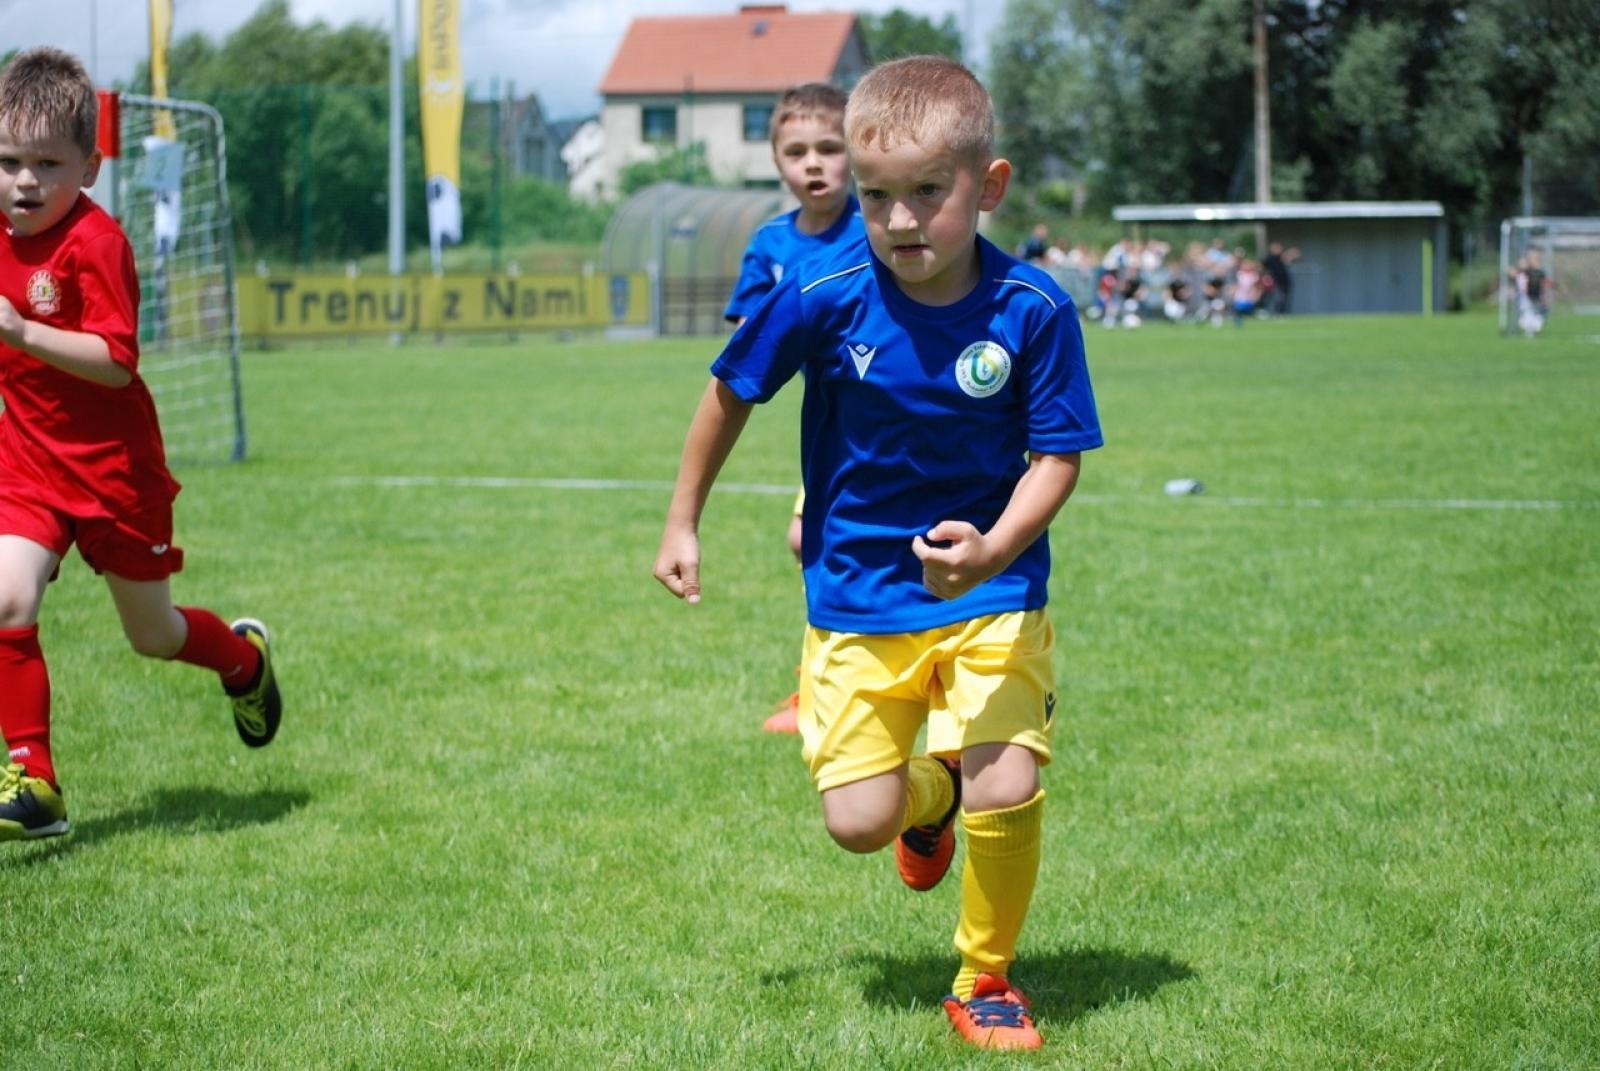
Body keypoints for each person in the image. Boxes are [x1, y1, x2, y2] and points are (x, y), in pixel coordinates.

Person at [654, 55, 1103, 1050]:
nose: (900, 221)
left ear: (987, 187)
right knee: (858, 822)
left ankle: (984, 977)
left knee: (1011, 781)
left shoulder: (1032, 309)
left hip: (996, 587)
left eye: (927, 195)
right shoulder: (823, 291)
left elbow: (1057, 456)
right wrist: (683, 520)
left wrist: (993, 549)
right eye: (876, 197)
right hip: (857, 592)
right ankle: (928, 797)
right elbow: (729, 392)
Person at [0, 47, 282, 842]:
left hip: (114, 475)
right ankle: (36, 782)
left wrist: (24, 330)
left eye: (47, 164)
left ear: (89, 167)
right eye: (9, 161)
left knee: (152, 636)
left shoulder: (97, 243)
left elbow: (119, 364)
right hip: (26, 464)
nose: (24, 181)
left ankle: (244, 663)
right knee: (7, 598)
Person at [723, 82, 863, 734]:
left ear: (856, 152)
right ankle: (819, 689)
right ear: (777, 160)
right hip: (832, 425)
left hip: (891, 413)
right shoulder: (772, 245)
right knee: (807, 539)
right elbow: (749, 333)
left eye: (830, 148)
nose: (814, 163)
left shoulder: (875, 230)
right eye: (797, 150)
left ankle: (851, 685)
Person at [1262, 241, 1298, 315]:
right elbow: (1263, 268)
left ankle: (1282, 312)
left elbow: (1289, 258)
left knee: (1284, 298)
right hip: (1275, 282)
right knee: (1277, 298)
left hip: (1284, 281)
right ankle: (1275, 312)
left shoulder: (1280, 258)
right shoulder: (1268, 258)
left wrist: (1291, 254)